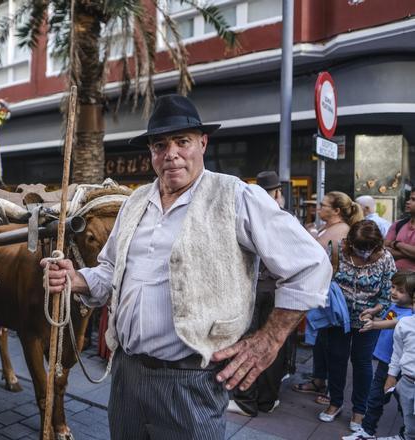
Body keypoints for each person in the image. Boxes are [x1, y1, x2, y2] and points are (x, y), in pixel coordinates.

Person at [42, 94, 332, 439]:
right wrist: (77, 279)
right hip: (127, 375)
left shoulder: (235, 196)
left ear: (203, 143)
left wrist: (269, 339)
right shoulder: (134, 203)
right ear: (151, 152)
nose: (172, 154)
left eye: (183, 142)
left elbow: (311, 264)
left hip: (192, 381)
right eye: (160, 145)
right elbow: (109, 271)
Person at [316, 220, 396, 431]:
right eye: (360, 247)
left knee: (362, 363)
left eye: (368, 248)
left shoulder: (386, 259)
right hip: (337, 318)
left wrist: (375, 311)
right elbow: (322, 278)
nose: (364, 252)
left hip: (366, 320)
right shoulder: (337, 251)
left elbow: (388, 294)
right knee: (336, 358)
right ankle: (335, 403)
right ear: (351, 242)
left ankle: (359, 411)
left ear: (377, 244)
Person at [227, 171, 292, 417]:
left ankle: (246, 400)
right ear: (277, 193)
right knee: (273, 343)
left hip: (256, 289)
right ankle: (267, 399)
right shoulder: (283, 215)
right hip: (276, 288)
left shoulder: (249, 213)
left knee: (249, 341)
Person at [293, 191, 364, 402]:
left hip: (337, 295)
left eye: (323, 205)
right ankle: (319, 379)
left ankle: (333, 392)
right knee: (322, 340)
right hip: (324, 291)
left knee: (334, 346)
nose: (318, 208)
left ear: (337, 211)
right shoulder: (329, 227)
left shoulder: (342, 231)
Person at [342, 270, 415, 440]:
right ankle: (367, 431)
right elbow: (387, 315)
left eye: (401, 290)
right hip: (386, 361)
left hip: (401, 367)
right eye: (393, 287)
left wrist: (375, 324)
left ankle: (407, 434)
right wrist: (372, 313)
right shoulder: (394, 306)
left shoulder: (411, 315)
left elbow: (395, 323)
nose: (394, 292)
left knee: (405, 405)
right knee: (375, 397)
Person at [384, 299, 415, 440]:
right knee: (410, 427)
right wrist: (391, 375)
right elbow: (397, 352)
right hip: (407, 382)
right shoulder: (404, 324)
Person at [386, 191, 415, 272]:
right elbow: (385, 250)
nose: (408, 202)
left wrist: (396, 244)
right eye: (409, 198)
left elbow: (390, 244)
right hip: (396, 277)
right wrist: (410, 253)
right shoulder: (398, 224)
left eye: (413, 199)